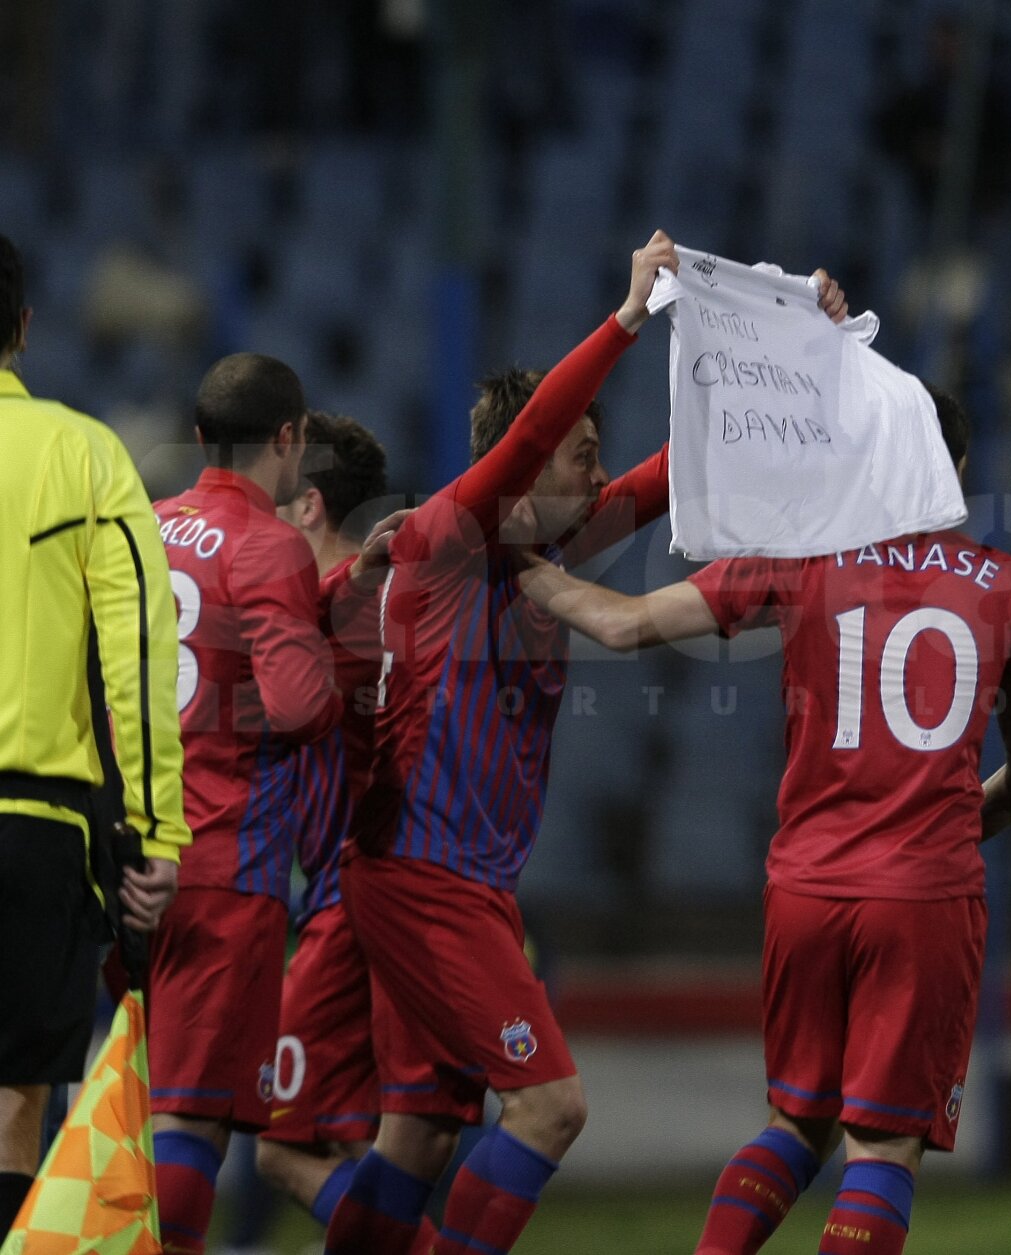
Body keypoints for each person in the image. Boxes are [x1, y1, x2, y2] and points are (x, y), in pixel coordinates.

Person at [321, 234, 851, 1255]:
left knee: (419, 1133)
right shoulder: (444, 538)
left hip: (451, 880)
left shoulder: (541, 546)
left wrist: (803, 352)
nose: (601, 471)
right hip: (425, 879)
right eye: (582, 455)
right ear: (523, 463)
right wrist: (627, 316)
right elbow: (531, 441)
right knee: (551, 1106)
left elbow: (677, 473)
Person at [517, 383, 1011, 1255]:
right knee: (881, 1144)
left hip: (806, 891)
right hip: (924, 898)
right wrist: (947, 825)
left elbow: (623, 626)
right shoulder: (1010, 587)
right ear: (954, 470)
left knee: (793, 1123)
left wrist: (530, 569)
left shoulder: (804, 553)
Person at [0, 233, 190, 1239]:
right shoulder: (83, 454)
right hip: (34, 825)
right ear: (25, 329)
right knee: (16, 1101)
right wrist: (154, 831)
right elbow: (142, 652)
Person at [149, 354, 350, 1255]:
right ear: (290, 439)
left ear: (198, 439)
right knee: (192, 1119)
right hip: (228, 863)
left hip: (131, 858)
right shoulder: (270, 545)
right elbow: (304, 707)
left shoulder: (144, 529)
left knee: (120, 1100)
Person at [256, 411, 443, 1245]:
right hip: (385, 894)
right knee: (365, 1137)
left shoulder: (326, 626)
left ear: (308, 508)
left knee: (280, 1146)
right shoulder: (382, 611)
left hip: (348, 899)